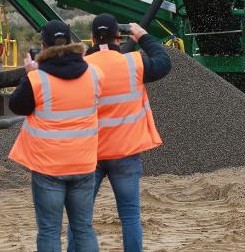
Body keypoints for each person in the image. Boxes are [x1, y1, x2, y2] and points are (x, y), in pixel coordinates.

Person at [70, 14, 171, 251]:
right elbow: (164, 62)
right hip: (125, 155)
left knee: (80, 219)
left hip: (89, 157)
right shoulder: (133, 63)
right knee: (130, 216)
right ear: (119, 36)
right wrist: (143, 36)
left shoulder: (81, 68)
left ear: (92, 37)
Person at [8, 20, 105, 252]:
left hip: (48, 167)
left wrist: (29, 74)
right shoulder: (94, 73)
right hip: (83, 164)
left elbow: (17, 106)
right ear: (72, 43)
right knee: (83, 228)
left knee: (50, 231)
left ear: (43, 47)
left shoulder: (36, 79)